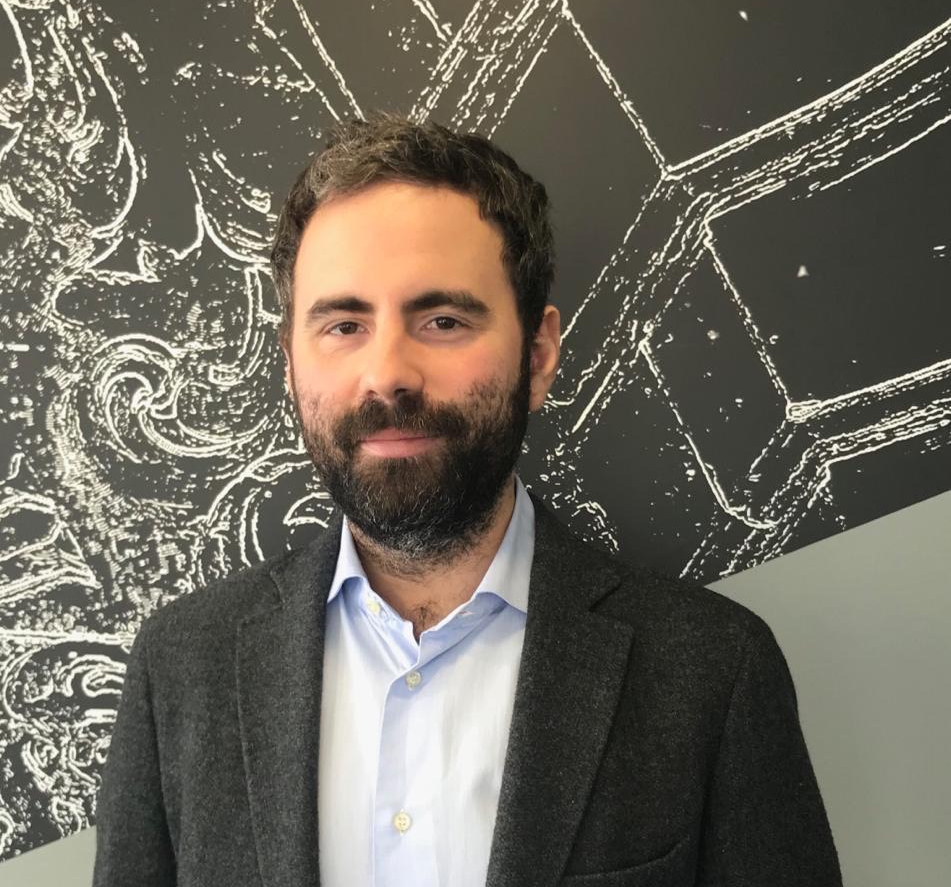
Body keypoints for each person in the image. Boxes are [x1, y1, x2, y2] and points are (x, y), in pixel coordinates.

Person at [93, 115, 842, 886]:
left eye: (442, 320)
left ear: (538, 356)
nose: (387, 374)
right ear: (290, 363)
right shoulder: (179, 670)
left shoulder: (711, 669)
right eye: (343, 325)